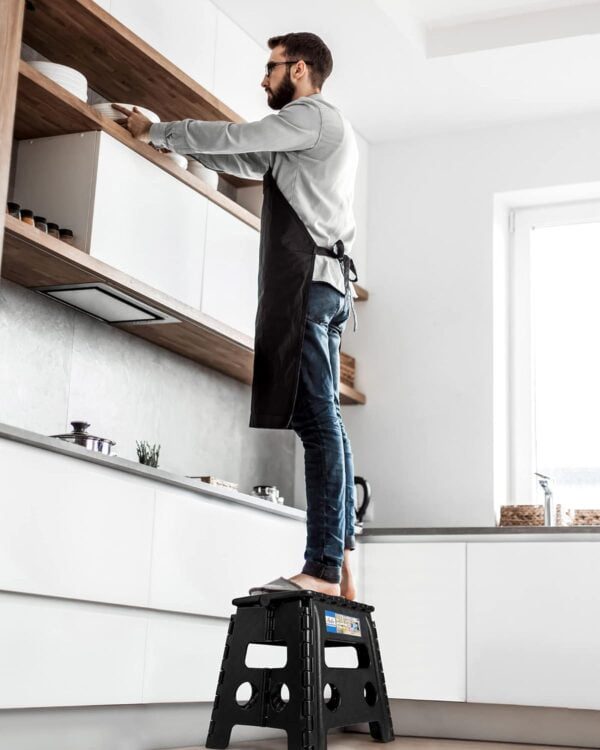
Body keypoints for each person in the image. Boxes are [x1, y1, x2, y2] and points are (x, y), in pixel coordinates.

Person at [114, 31, 359, 600]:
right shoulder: (302, 137)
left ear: (299, 70)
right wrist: (166, 141)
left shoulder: (313, 116)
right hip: (325, 285)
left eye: (270, 67)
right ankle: (342, 563)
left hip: (310, 284)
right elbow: (242, 155)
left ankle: (322, 568)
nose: (263, 78)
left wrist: (158, 130)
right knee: (324, 423)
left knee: (318, 424)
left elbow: (238, 136)